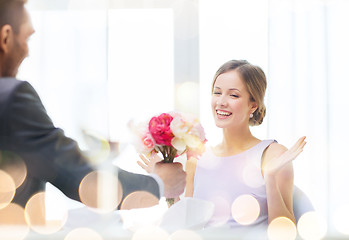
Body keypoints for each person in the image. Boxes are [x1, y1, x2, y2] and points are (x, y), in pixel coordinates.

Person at [0, 0, 186, 211]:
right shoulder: (12, 97)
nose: (28, 52)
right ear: (5, 37)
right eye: (27, 39)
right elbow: (79, 177)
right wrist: (159, 185)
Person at [139, 60, 306, 230]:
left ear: (253, 105)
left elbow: (285, 232)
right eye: (217, 93)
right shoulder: (197, 159)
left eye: (233, 95)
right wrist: (167, 186)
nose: (221, 102)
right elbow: (186, 227)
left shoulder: (272, 154)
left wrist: (270, 177)